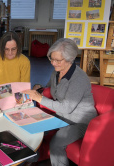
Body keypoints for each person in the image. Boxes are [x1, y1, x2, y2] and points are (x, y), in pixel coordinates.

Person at [25, 38, 97, 166]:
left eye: (57, 60)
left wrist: (39, 98)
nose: (53, 63)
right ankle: (30, 159)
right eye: (51, 59)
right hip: (62, 116)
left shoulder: (79, 78)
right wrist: (38, 87)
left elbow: (66, 108)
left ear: (70, 59)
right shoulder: (57, 71)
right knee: (32, 126)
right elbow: (49, 87)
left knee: (56, 143)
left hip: (80, 121)